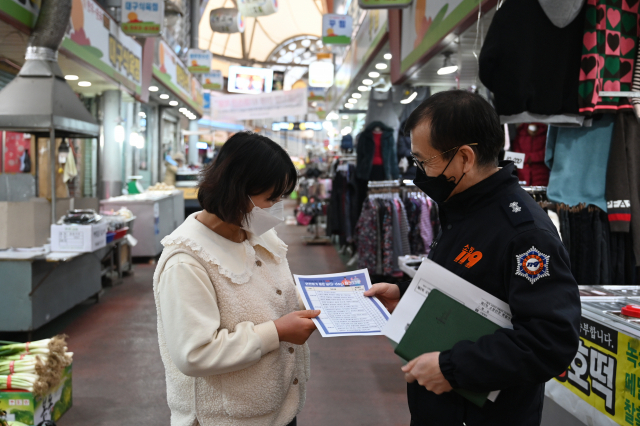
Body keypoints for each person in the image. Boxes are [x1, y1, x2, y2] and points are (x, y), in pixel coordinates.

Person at [365, 90, 580, 426]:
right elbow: (471, 286)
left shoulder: (524, 233)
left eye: (425, 161)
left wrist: (453, 367)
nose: (419, 171)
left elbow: (549, 341)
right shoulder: (461, 207)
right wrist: (406, 295)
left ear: (464, 158)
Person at [153, 132, 319, 426]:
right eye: (271, 198)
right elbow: (194, 354)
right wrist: (277, 332)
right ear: (238, 190)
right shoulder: (187, 261)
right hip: (225, 419)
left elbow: (275, 295)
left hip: (275, 410)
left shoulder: (256, 234)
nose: (278, 207)